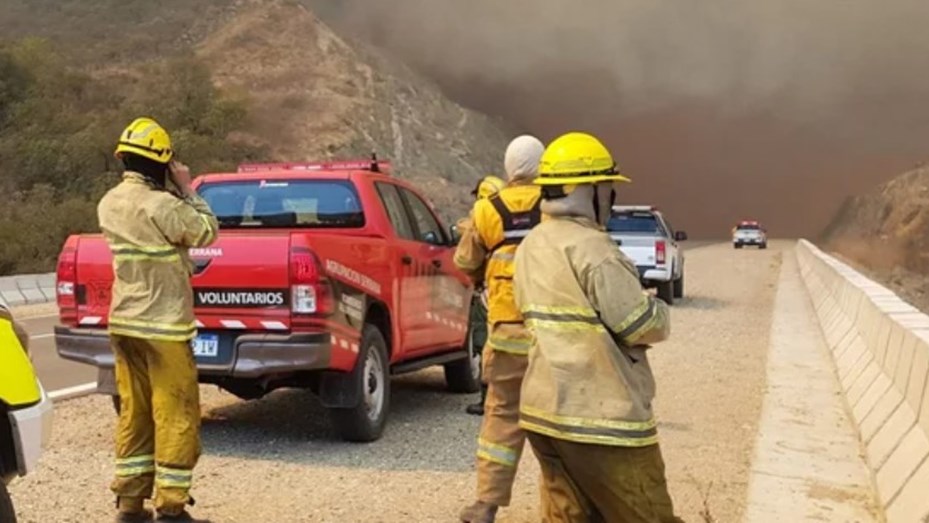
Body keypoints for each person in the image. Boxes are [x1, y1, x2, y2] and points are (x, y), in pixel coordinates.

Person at [513, 131, 682, 522]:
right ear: (584, 191)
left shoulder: (531, 246)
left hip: (545, 412)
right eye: (604, 186)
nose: (610, 196)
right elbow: (640, 325)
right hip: (603, 418)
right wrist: (655, 308)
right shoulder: (595, 250)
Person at [99, 117, 218, 523]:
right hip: (164, 326)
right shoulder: (164, 205)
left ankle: (130, 505)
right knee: (176, 411)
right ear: (162, 163)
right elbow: (206, 232)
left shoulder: (109, 202)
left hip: (123, 324)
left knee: (135, 412)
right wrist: (185, 186)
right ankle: (170, 507)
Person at [455, 136, 546, 523]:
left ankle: (486, 505)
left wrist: (485, 274)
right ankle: (572, 506)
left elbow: (464, 260)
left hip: (507, 334)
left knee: (502, 418)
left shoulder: (486, 211)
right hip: (554, 335)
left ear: (508, 169)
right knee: (564, 423)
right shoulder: (556, 204)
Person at [459, 175, 506, 416]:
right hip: (512, 293)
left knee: (484, 344)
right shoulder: (513, 217)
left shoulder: (481, 218)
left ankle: (488, 399)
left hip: (488, 292)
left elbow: (465, 260)